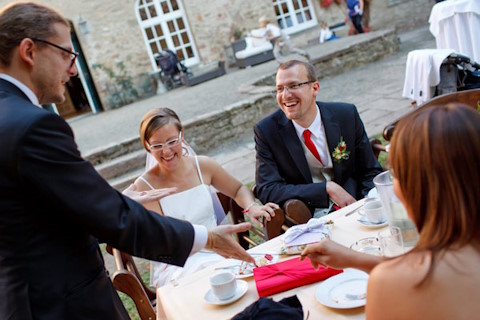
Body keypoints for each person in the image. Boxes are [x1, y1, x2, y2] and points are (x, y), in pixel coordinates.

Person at [0, 3, 254, 319]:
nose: (74, 69)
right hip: (59, 303)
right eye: (67, 54)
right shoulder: (31, 125)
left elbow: (36, 215)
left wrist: (114, 201)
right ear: (29, 51)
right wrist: (205, 238)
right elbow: (113, 220)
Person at [301, 103, 480, 319]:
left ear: (410, 187)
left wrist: (383, 274)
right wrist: (357, 259)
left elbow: (416, 278)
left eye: (395, 174)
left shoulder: (394, 285)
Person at [133, 108, 279, 286]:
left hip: (220, 249)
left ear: (182, 135)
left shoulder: (203, 166)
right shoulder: (144, 187)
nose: (166, 151)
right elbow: (165, 240)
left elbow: (238, 189)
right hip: (179, 261)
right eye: (157, 145)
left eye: (172, 141)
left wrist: (251, 206)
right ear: (147, 146)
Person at [254, 60, 382, 217]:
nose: (285, 95)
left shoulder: (346, 115)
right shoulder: (267, 130)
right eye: (280, 89)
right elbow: (267, 189)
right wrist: (325, 188)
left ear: (314, 88)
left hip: (356, 203)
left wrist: (369, 203)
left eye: (294, 86)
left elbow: (370, 169)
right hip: (307, 215)